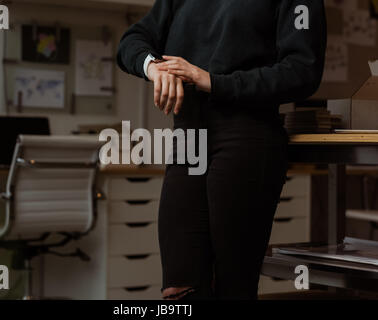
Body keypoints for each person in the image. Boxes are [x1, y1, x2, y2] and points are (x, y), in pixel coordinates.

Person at [116, 0, 326, 300]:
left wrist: (213, 81)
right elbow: (132, 41)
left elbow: (302, 71)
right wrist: (153, 67)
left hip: (248, 135)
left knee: (232, 285)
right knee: (179, 287)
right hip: (189, 138)